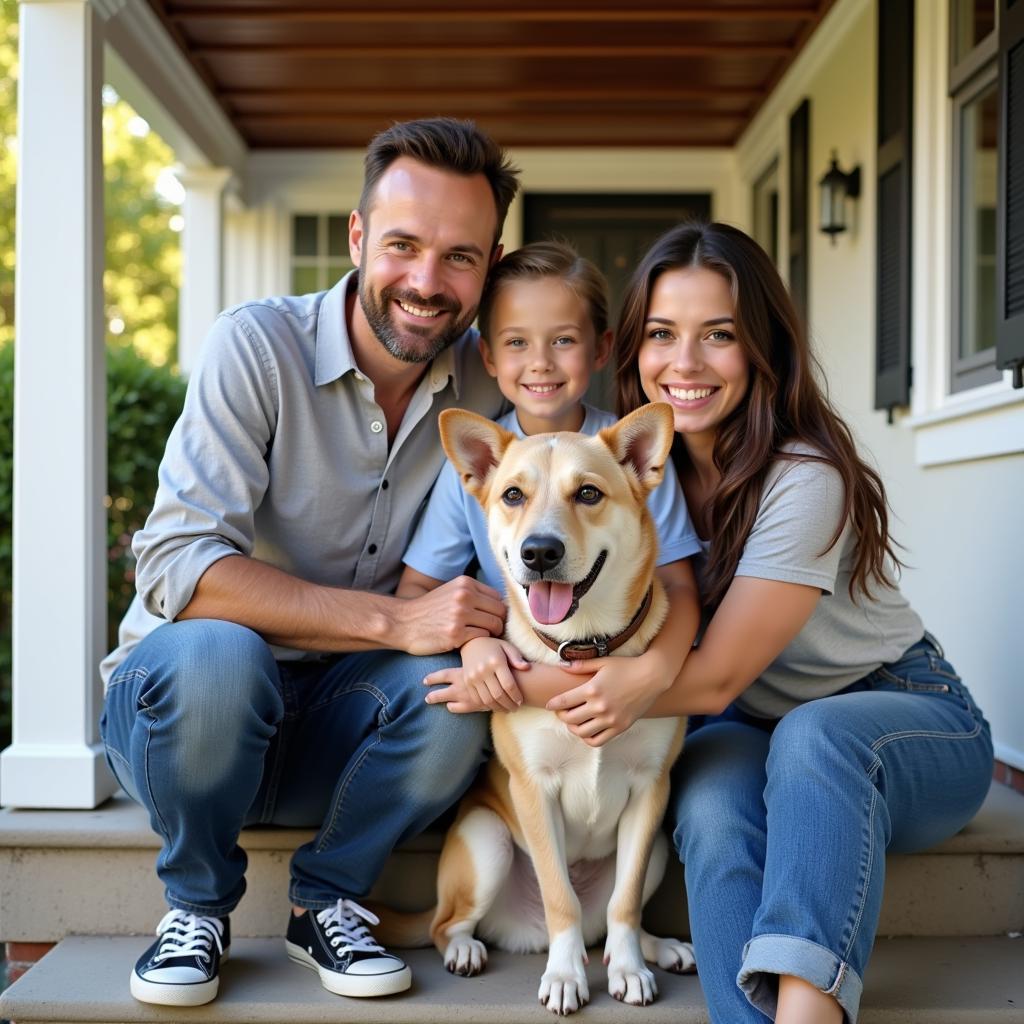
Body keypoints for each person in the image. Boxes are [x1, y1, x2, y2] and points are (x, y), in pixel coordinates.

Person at [98, 117, 520, 1008]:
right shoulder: (257, 346)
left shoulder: (498, 386)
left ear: (490, 265)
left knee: (453, 690)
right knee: (219, 654)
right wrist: (397, 619)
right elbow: (180, 563)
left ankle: (329, 898)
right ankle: (198, 909)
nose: (426, 282)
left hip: (349, 730)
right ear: (358, 236)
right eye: (403, 245)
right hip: (189, 723)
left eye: (460, 257)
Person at [538, 222, 994, 1023]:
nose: (684, 364)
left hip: (903, 717)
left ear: (761, 349)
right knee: (711, 807)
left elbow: (711, 675)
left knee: (815, 737)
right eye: (661, 335)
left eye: (718, 335)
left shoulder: (805, 475)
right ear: (633, 350)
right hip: (748, 723)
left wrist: (521, 682)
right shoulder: (626, 469)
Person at [398, 240, 702, 715]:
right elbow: (417, 590)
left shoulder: (624, 459)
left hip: (625, 662)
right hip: (520, 668)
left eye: (562, 340)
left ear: (600, 347)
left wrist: (656, 669)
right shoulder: (488, 462)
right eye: (517, 342)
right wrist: (472, 645)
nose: (540, 361)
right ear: (490, 355)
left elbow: (679, 586)